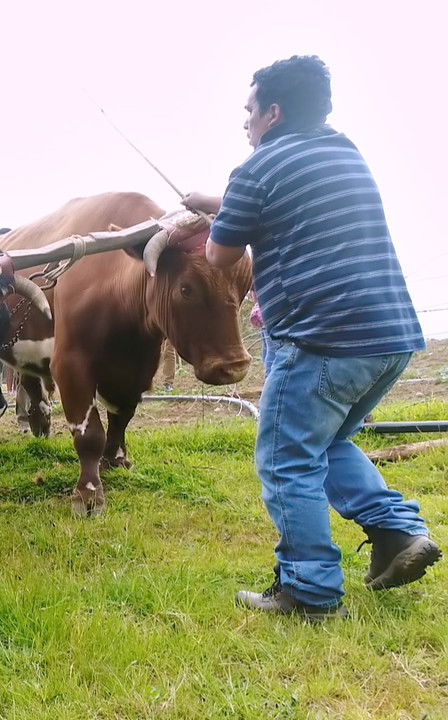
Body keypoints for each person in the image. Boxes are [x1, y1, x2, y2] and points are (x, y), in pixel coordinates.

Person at [186, 55, 438, 620]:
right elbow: (295, 213)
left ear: (272, 113)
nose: (244, 122)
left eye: (249, 110)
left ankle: (309, 591)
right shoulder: (343, 152)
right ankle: (397, 534)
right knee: (322, 443)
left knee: (285, 461)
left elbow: (219, 255)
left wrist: (219, 214)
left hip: (321, 339)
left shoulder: (256, 168)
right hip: (389, 337)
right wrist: (226, 206)